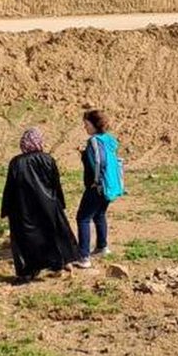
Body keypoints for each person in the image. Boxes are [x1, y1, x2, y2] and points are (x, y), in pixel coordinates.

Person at [1, 127, 79, 282]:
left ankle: (29, 271)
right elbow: (55, 183)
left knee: (26, 240)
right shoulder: (47, 159)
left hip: (23, 208)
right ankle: (58, 263)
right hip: (48, 205)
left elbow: (10, 187)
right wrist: (60, 203)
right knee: (53, 235)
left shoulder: (16, 162)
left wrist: (6, 208)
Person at [73, 109, 125, 269]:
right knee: (100, 214)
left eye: (86, 124)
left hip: (97, 186)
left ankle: (84, 257)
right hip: (109, 185)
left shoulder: (94, 141)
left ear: (95, 125)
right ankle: (102, 246)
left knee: (82, 218)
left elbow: (98, 162)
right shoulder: (108, 139)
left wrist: (95, 181)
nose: (85, 127)